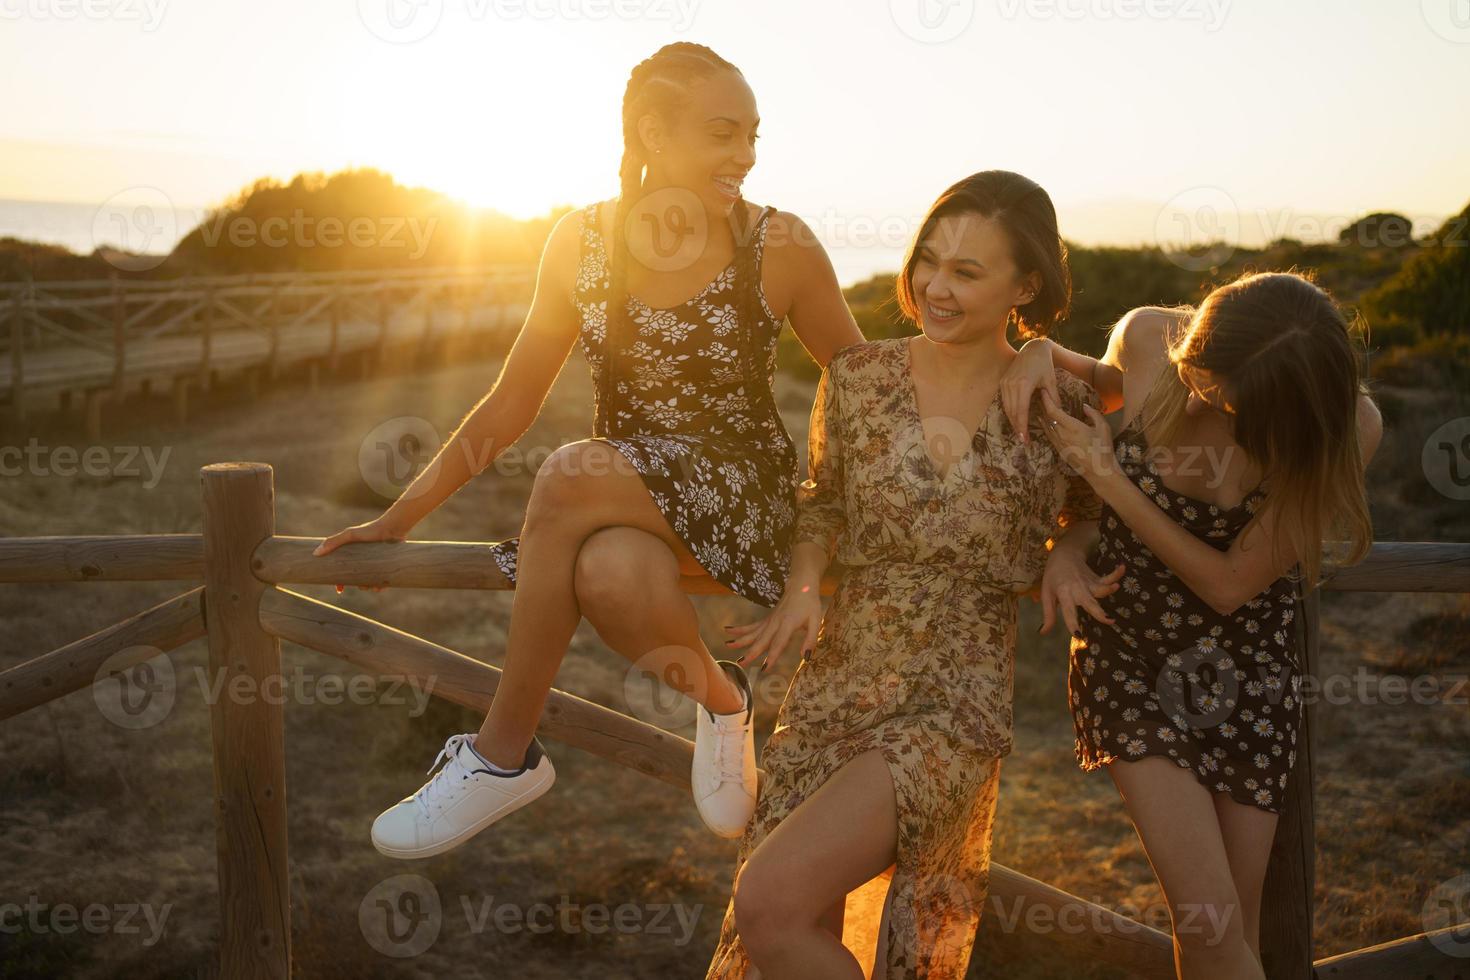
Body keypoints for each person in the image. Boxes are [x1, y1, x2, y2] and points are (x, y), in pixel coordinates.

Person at [313, 42, 863, 857]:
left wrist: (832, 539)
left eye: (752, 136)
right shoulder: (581, 242)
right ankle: (726, 700)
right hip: (627, 497)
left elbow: (866, 383)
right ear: (651, 133)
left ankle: (501, 757)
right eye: (722, 134)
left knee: (574, 472)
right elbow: (510, 402)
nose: (744, 156)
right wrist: (398, 519)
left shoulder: (779, 243)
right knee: (607, 570)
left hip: (747, 496)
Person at [707, 170, 1124, 978]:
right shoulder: (859, 378)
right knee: (794, 932)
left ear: (1024, 284)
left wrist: (1071, 548)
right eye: (928, 259)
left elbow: (1099, 496)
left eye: (967, 272)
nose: (934, 286)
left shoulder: (1057, 402)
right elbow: (822, 503)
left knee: (768, 902)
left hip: (951, 703)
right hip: (834, 686)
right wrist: (802, 588)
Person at [1005, 272, 1383, 979]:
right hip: (1132, 655)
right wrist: (1039, 351)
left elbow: (1231, 583)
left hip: (1250, 671)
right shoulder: (1154, 337)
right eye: (1205, 382)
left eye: (1234, 400)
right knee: (1211, 928)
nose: (1209, 401)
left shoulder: (1350, 426)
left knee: (1224, 926)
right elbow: (1093, 383)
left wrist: (1110, 477)